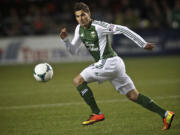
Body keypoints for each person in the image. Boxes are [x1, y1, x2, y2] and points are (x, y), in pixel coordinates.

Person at [60, 2, 175, 130]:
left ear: (89, 13)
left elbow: (123, 29)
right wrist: (65, 40)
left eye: (83, 15)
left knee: (78, 80)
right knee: (133, 95)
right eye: (77, 16)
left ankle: (97, 113)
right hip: (112, 64)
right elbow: (73, 51)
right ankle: (166, 114)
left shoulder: (99, 26)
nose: (81, 19)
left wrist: (142, 44)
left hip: (109, 62)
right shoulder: (78, 29)